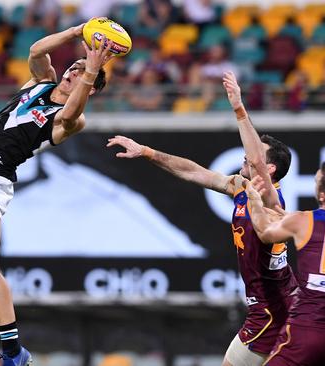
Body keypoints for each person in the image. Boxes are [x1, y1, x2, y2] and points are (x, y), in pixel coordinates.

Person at [0, 22, 115, 366]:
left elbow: (72, 112)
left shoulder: (70, 118)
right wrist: (77, 32)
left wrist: (91, 70)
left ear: (89, 88)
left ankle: (14, 351)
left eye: (79, 73)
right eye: (73, 68)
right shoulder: (41, 83)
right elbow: (36, 51)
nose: (71, 73)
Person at [107, 71, 296, 366]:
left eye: (255, 154)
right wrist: (147, 152)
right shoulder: (240, 187)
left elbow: (256, 159)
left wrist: (238, 107)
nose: (246, 157)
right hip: (271, 306)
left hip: (273, 310)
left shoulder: (274, 201)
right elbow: (195, 172)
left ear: (270, 169)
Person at [244, 159, 325, 366]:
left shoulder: (303, 220)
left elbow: (263, 233)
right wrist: (291, 218)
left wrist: (254, 201)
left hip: (306, 331)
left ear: (322, 195)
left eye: (316, 182)